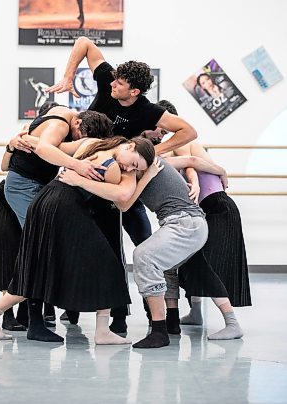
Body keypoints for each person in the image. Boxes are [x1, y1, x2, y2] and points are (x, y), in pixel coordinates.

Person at [48, 36, 197, 332]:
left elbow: (188, 131)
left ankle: (152, 314)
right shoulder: (107, 80)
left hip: (120, 176)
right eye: (113, 80)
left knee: (140, 239)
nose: (112, 84)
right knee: (87, 243)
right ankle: (74, 308)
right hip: (89, 171)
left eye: (120, 83)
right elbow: (83, 42)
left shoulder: (147, 110)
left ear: (135, 90)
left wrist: (150, 153)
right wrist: (67, 78)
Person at [0, 136, 155, 345]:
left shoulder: (93, 143)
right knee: (108, 265)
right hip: (63, 206)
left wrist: (25, 139)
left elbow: (50, 146)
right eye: (133, 163)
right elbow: (123, 197)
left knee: (39, 269)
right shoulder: (113, 167)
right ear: (130, 146)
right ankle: (102, 331)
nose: (130, 168)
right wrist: (144, 177)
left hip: (47, 200)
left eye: (135, 168)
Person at [61, 155, 227, 348]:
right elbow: (190, 161)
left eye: (134, 164)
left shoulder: (146, 165)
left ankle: (160, 330)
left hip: (186, 223)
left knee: (145, 257)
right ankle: (170, 323)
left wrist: (210, 175)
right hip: (185, 222)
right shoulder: (142, 164)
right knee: (176, 269)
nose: (128, 166)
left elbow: (124, 203)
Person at [0, 103, 113, 330]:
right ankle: (19, 318)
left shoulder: (58, 118)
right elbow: (44, 149)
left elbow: (43, 146)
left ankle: (28, 316)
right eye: (81, 137)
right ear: (77, 123)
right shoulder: (59, 123)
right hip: (23, 188)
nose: (79, 142)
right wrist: (77, 164)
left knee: (40, 249)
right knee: (39, 249)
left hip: (32, 186)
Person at [147, 99, 251, 340]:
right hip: (208, 208)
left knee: (202, 264)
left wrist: (203, 178)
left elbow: (192, 165)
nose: (161, 133)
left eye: (163, 128)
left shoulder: (182, 140)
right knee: (190, 260)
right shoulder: (172, 146)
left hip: (217, 207)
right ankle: (196, 312)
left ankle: (232, 323)